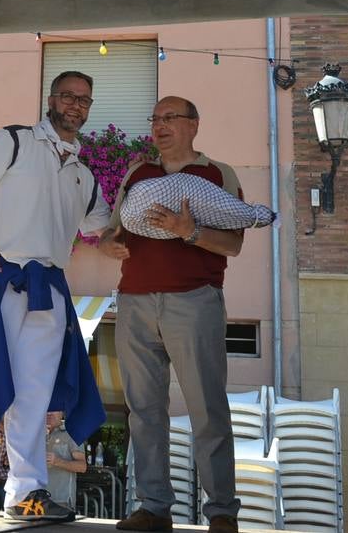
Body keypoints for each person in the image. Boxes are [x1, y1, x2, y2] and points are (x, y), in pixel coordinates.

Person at [0, 71, 112, 522]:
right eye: (69, 96)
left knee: (35, 395)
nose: (76, 105)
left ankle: (26, 495)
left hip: (50, 288)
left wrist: (158, 226)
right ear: (51, 99)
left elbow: (106, 232)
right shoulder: (14, 140)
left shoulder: (85, 175)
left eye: (85, 100)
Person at [97, 96, 245, 533]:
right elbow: (112, 228)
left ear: (194, 125)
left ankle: (221, 511)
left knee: (207, 408)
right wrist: (107, 244)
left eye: (170, 118)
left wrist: (190, 231)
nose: (160, 126)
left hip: (193, 301)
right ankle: (154, 507)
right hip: (134, 301)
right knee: (143, 410)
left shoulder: (217, 174)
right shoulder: (137, 173)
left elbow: (234, 244)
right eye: (155, 119)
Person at [45, 410, 88, 513]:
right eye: (47, 409)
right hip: (37, 502)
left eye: (54, 409)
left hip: (61, 502)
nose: (49, 413)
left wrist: (57, 461)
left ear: (62, 412)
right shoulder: (37, 433)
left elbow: (82, 467)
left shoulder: (72, 432)